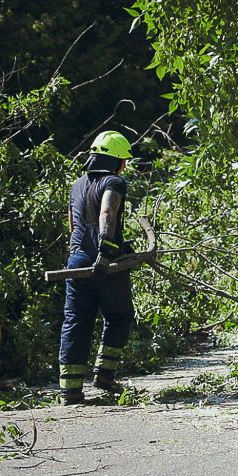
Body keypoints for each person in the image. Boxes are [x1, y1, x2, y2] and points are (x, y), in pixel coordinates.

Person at [57, 131, 137, 405]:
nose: (124, 166)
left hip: (77, 261)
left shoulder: (77, 185)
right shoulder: (114, 181)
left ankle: (70, 391)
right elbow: (107, 213)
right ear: (116, 162)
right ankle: (104, 375)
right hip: (106, 264)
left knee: (76, 322)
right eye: (123, 161)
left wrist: (77, 254)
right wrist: (105, 251)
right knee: (119, 316)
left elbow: (72, 224)